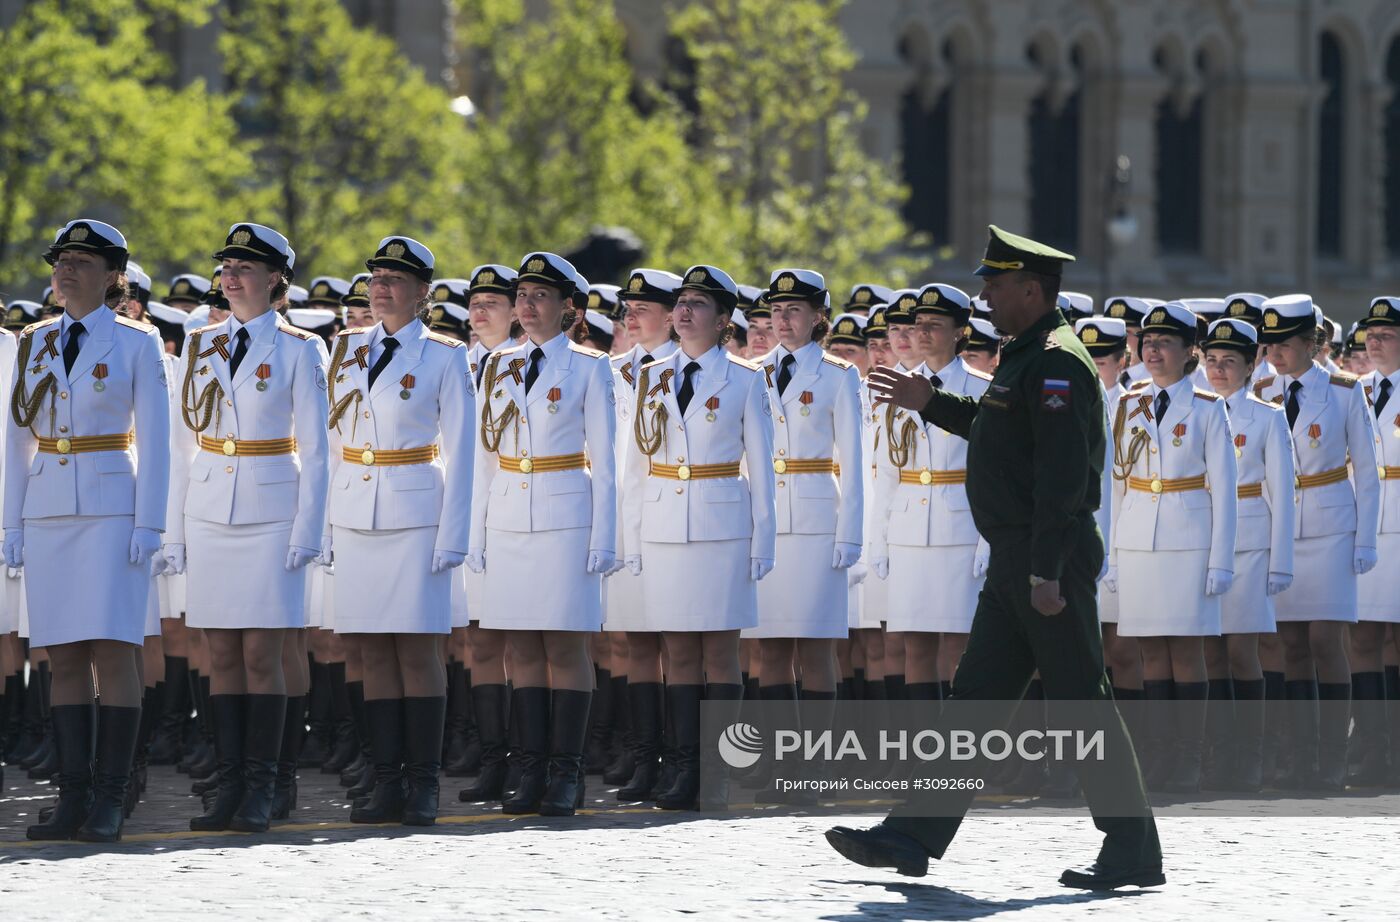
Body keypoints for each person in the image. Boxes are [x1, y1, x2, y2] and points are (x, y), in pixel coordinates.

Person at [826, 225, 1161, 891]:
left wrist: (1043, 570)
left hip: (1046, 561)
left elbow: (1065, 477)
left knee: (1081, 705)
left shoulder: (1058, 361)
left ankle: (1132, 847)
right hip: (1016, 558)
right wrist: (932, 404)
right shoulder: (1025, 355)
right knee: (975, 701)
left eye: (996, 282)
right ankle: (913, 834)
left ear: (1031, 289)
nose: (984, 293)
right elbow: (1000, 431)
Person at [6, 219, 170, 842]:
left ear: (112, 276)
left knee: (112, 646)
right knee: (63, 651)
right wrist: (11, 522)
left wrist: (150, 521)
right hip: (49, 507)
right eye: (61, 260)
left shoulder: (135, 342)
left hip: (110, 508)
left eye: (80, 260)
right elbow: (17, 438)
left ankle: (110, 795)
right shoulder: (36, 342)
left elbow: (157, 441)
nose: (65, 270)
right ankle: (72, 796)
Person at [163, 223, 330, 832]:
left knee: (263, 649)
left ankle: (267, 783)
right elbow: (184, 444)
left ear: (275, 279)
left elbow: (318, 449)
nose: (231, 277)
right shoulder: (199, 343)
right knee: (221, 650)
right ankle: (230, 784)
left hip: (271, 510)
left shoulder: (300, 347)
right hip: (210, 508)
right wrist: (174, 531)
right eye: (226, 267)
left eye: (245, 267)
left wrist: (309, 530)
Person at [324, 235, 471, 826]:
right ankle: (385, 778)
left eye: (395, 280)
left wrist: (453, 535)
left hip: (415, 510)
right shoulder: (346, 349)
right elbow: (334, 440)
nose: (381, 288)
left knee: (416, 646)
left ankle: (423, 782)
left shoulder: (443, 355)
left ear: (423, 293)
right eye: (376, 278)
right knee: (369, 645)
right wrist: (328, 521)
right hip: (357, 508)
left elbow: (460, 452)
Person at [467, 251, 617, 816]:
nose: (528, 306)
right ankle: (528, 769)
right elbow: (486, 456)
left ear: (568, 307)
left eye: (540, 297)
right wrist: (477, 532)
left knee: (564, 643)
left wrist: (604, 538)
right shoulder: (498, 364)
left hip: (564, 516)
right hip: (508, 513)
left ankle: (566, 773)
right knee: (521, 645)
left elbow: (604, 461)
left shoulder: (588, 366)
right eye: (523, 296)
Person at [621, 264, 775, 810]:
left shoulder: (746, 378)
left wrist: (764, 541)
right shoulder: (650, 375)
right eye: (682, 302)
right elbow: (636, 464)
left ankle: (718, 770)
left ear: (724, 319)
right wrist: (631, 538)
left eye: (699, 304)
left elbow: (761, 465)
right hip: (664, 524)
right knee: (677, 650)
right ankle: (682, 766)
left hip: (721, 526)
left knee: (720, 651)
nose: (685, 311)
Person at [1103, 301, 1237, 794]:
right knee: (1148, 652)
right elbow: (1115, 484)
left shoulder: (1207, 407)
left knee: (1185, 650)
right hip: (1139, 538)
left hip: (1187, 541)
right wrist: (1112, 553)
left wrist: (1222, 560)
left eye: (1165, 344)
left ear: (1190, 353)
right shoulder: (1126, 403)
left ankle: (1190, 758)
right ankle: (1157, 755)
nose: (1153, 351)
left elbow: (1224, 487)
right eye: (1148, 343)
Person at [1253, 294, 1380, 791]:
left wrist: (1365, 539)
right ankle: (1298, 753)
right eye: (1270, 345)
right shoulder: (1263, 390)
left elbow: (1367, 473)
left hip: (1330, 525)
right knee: (1288, 644)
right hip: (1279, 527)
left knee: (1327, 640)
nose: (1275, 354)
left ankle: (1333, 755)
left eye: (1285, 344)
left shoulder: (1346, 392)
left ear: (1312, 343)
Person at [744, 269, 863, 799]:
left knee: (815, 648)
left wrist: (850, 534)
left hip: (817, 517)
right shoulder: (751, 372)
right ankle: (778, 763)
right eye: (777, 311)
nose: (783, 321)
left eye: (795, 311)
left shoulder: (839, 375)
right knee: (769, 648)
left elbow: (854, 461)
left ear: (819, 318)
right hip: (765, 518)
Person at [870, 282, 989, 705]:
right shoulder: (895, 386)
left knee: (960, 643)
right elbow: (886, 469)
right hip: (908, 526)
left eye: (934, 325)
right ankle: (923, 748)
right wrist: (878, 539)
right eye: (918, 324)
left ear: (960, 331)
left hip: (963, 526)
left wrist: (987, 539)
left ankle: (962, 745)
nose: (922, 333)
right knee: (915, 643)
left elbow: (993, 472)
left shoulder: (982, 388)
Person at [1199, 317, 1294, 791]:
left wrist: (1281, 562)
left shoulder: (1267, 416)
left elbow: (1283, 491)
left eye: (1229, 362)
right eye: (1211, 361)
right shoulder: (1194, 409)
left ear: (1251, 363)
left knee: (1241, 650)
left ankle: (1253, 755)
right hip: (1202, 539)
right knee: (1211, 652)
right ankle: (1220, 753)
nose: (1218, 371)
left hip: (1250, 544)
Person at [606, 268, 681, 801]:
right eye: (626, 308)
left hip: (672, 514)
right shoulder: (609, 370)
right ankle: (643, 753)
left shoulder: (684, 368)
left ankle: (679, 757)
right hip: (622, 516)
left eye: (642, 308)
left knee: (677, 644)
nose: (630, 316)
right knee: (636, 642)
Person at [1353, 297, 1400, 785]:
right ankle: (1372, 749)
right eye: (1372, 333)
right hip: (1365, 526)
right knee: (1364, 638)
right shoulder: (1355, 390)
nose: (1375, 341)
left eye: (1386, 334)